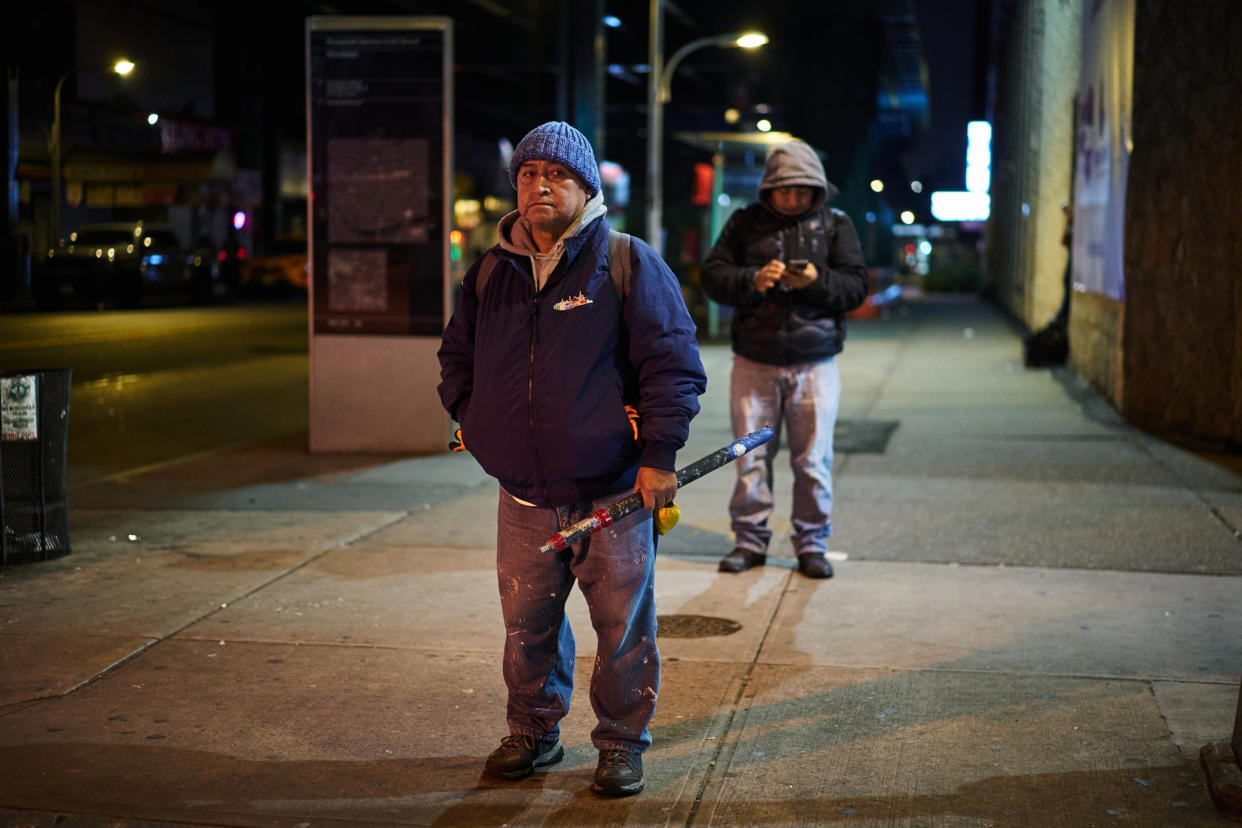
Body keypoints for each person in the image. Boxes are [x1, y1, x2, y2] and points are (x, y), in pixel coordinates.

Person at [437, 121, 706, 797]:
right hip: (523, 497)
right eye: (528, 174)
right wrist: (473, 419)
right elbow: (456, 359)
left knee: (621, 631)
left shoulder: (626, 261)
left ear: (585, 187)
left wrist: (659, 455)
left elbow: (672, 366)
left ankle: (620, 744)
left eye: (555, 174)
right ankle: (532, 730)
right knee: (527, 626)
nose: (540, 186)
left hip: (612, 493)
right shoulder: (490, 272)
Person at [701, 139, 868, 579]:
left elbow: (855, 287)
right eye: (784, 190)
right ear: (769, 188)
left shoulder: (835, 224)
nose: (792, 198)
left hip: (816, 363)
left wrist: (816, 280)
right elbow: (713, 275)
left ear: (816, 189)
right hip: (754, 360)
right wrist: (752, 279)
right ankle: (749, 541)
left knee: (813, 460)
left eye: (801, 190)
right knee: (750, 457)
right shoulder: (744, 223)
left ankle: (812, 543)